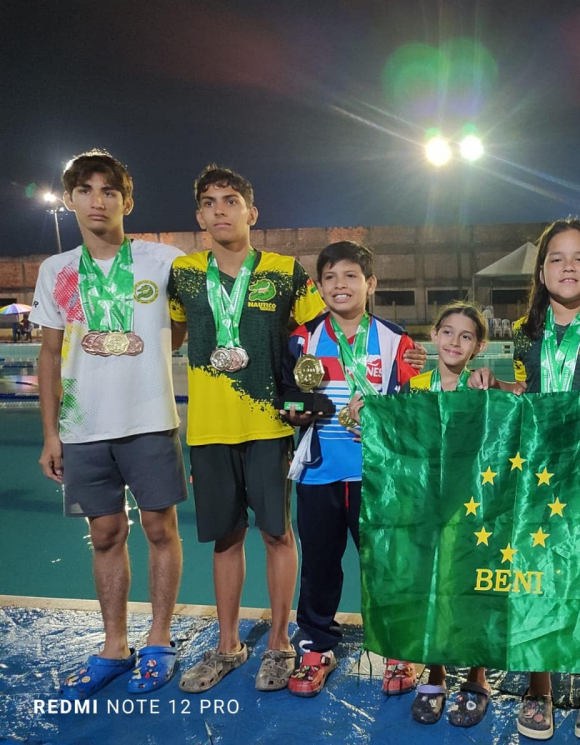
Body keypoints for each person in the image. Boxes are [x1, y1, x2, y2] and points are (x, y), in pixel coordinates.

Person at [469, 218, 580, 741]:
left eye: (579, 258)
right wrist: (493, 382)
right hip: (540, 473)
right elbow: (528, 394)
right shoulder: (526, 331)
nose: (567, 267)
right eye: (556, 259)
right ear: (541, 272)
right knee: (536, 575)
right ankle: (539, 686)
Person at [31, 150, 187, 698]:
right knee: (104, 534)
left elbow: (183, 331)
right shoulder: (57, 270)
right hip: (82, 425)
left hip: (148, 420)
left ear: (127, 201)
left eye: (109, 191)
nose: (98, 201)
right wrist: (51, 433)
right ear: (71, 200)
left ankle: (161, 638)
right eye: (86, 190)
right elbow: (48, 356)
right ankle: (114, 644)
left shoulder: (164, 260)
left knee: (159, 528)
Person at [168, 165, 326, 694]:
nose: (220, 210)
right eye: (209, 202)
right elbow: (165, 335)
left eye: (230, 200)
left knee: (278, 533)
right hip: (210, 428)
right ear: (198, 217)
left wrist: (308, 405)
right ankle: (228, 645)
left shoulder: (286, 270)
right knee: (225, 538)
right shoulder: (185, 273)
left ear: (251, 213)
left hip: (269, 424)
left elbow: (318, 342)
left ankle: (280, 643)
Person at [279, 240, 425, 697]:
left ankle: (401, 648)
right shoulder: (302, 339)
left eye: (350, 276)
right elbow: (286, 396)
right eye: (330, 278)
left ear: (370, 284)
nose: (339, 285)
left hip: (377, 477)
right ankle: (316, 648)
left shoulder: (397, 341)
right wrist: (295, 412)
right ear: (319, 286)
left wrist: (384, 422)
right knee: (319, 567)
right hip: (320, 473)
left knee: (386, 566)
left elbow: (413, 408)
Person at [404, 301, 492, 728]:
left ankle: (477, 677)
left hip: (473, 508)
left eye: (466, 336)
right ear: (434, 335)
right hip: (426, 508)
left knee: (471, 590)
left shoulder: (482, 387)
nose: (455, 341)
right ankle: (435, 673)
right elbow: (398, 438)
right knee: (430, 591)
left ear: (478, 347)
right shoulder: (414, 385)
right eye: (448, 332)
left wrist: (495, 389)